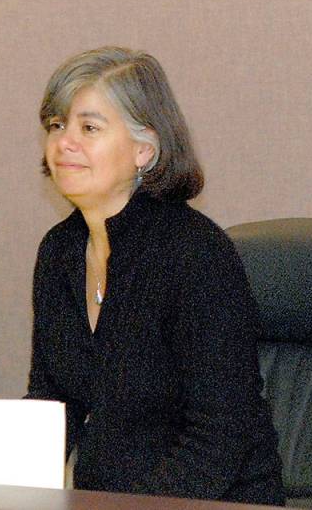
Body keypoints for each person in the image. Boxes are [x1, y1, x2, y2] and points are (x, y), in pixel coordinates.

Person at [25, 46, 286, 505]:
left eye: (89, 127)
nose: (65, 141)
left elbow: (222, 433)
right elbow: (52, 407)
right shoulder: (58, 252)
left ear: (144, 149)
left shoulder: (194, 253)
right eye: (56, 125)